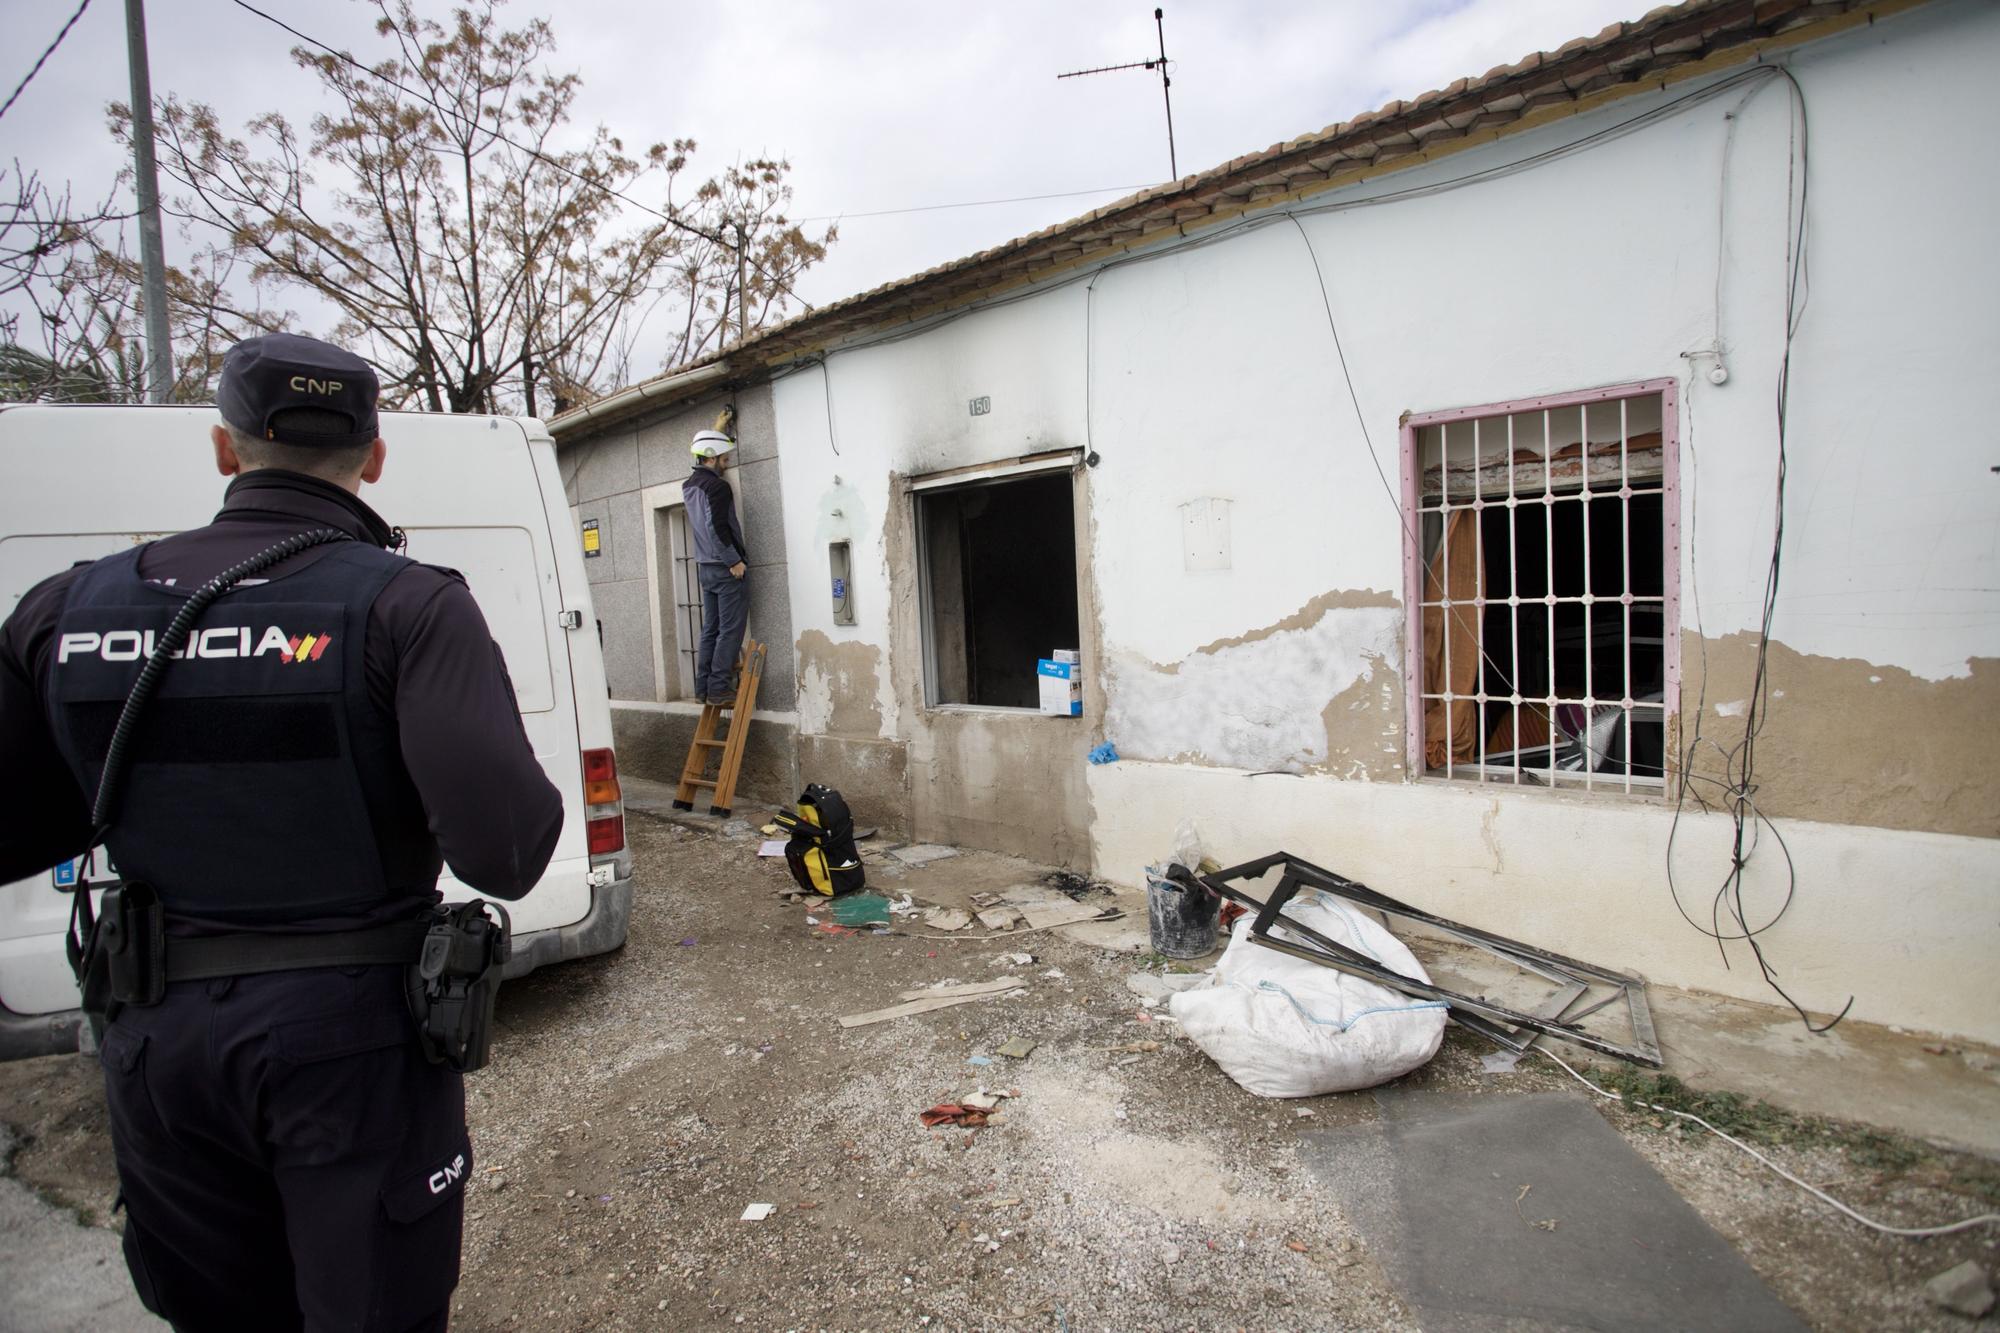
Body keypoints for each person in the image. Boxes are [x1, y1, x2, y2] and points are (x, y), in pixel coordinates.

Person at [0, 332, 564, 1332]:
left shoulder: (67, 608)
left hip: (155, 1039)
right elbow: (505, 852)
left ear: (226, 449)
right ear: (374, 456)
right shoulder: (406, 605)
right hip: (349, 1045)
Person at [682, 427, 750, 706]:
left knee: (710, 628)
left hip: (705, 568)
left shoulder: (689, 485)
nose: (728, 461)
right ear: (711, 456)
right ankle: (719, 689)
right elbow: (716, 527)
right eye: (724, 457)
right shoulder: (718, 487)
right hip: (724, 566)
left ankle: (703, 688)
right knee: (731, 629)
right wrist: (733, 560)